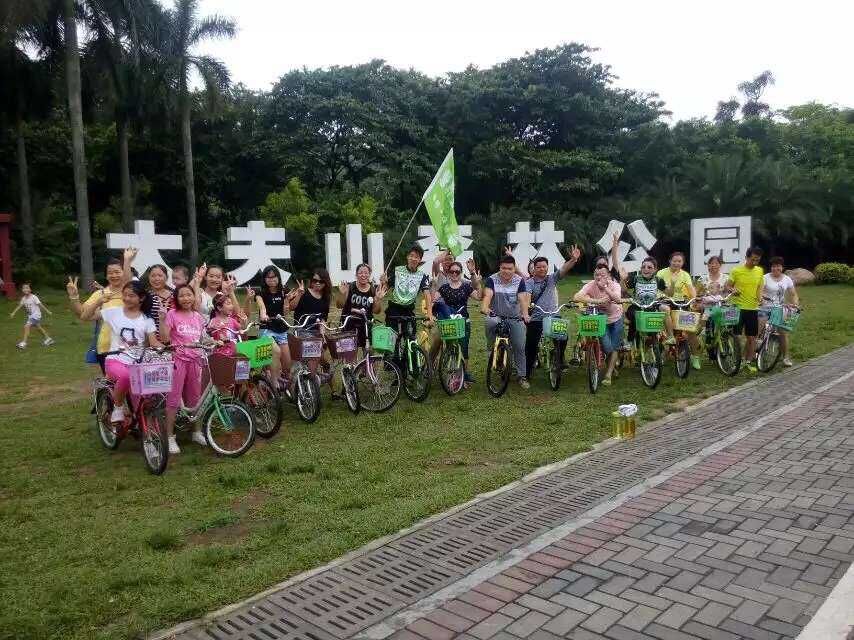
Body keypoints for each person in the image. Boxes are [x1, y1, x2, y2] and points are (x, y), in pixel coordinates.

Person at [90, 280, 163, 424]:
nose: (127, 299)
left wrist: (167, 349)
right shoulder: (114, 313)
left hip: (138, 364)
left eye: (131, 295)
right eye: (125, 295)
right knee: (125, 376)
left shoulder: (147, 319)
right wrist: (97, 301)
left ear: (141, 298)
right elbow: (86, 316)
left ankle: (146, 432)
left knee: (144, 402)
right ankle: (117, 408)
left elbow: (154, 342)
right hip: (115, 360)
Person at [160, 284, 208, 454]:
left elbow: (203, 338)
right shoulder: (172, 314)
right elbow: (165, 338)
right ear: (176, 298)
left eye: (189, 295)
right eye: (182, 295)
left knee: (195, 398)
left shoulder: (198, 316)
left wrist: (216, 341)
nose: (186, 298)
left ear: (194, 297)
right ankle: (170, 436)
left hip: (195, 360)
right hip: (177, 361)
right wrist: (162, 317)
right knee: (173, 399)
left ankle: (196, 431)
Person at [523, 246, 581, 380]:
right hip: (537, 317)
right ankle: (527, 370)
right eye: (539, 267)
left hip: (553, 315)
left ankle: (559, 358)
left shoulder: (551, 279)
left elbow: (564, 269)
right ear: (534, 269)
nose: (542, 269)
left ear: (547, 268)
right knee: (531, 345)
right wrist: (526, 313)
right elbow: (526, 297)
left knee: (563, 337)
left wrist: (573, 259)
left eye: (544, 266)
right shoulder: (530, 283)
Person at [73, 248, 136, 372]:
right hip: (106, 347)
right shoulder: (100, 294)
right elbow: (83, 315)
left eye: (117, 272)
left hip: (130, 347)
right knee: (113, 385)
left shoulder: (129, 293)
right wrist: (74, 297)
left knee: (131, 385)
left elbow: (129, 282)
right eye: (110, 273)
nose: (114, 275)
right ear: (106, 275)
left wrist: (127, 260)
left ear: (124, 272)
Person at [480, 254, 530, 389]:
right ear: (499, 268)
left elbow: (522, 299)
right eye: (504, 268)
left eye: (510, 268)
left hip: (515, 317)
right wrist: (485, 308)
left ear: (514, 269)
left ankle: (522, 376)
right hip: (496, 315)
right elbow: (488, 295)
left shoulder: (519, 281)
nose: (506, 271)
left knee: (519, 346)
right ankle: (492, 348)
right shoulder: (492, 279)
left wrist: (525, 314)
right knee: (490, 322)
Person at [574, 265, 625, 385]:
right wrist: (597, 301)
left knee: (615, 346)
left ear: (608, 276)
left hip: (616, 317)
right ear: (593, 276)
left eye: (602, 275)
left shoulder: (614, 285)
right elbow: (576, 297)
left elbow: (617, 299)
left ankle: (608, 374)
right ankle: (612, 367)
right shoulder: (590, 285)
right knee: (607, 347)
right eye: (596, 275)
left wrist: (606, 288)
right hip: (601, 319)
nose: (599, 277)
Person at [435, 259, 483, 383]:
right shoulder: (444, 288)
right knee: (451, 348)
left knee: (464, 349)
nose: (455, 274)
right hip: (449, 323)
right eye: (452, 272)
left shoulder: (466, 287)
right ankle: (453, 373)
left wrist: (477, 282)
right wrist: (434, 285)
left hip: (464, 322)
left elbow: (479, 297)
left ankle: (464, 375)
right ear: (449, 273)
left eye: (457, 271)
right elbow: (433, 299)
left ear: (461, 272)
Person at [380, 245, 435, 354]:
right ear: (407, 257)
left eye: (417, 257)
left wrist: (429, 314)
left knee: (411, 338)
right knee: (392, 339)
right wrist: (383, 281)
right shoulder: (397, 270)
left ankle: (411, 364)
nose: (414, 259)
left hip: (409, 310)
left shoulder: (422, 276)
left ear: (420, 260)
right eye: (412, 256)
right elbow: (385, 286)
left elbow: (427, 295)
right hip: (394, 308)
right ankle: (391, 363)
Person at [255, 265, 300, 384]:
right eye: (268, 277)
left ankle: (289, 390)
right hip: (266, 328)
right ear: (264, 279)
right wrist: (263, 315)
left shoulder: (284, 290)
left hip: (281, 330)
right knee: (276, 351)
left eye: (274, 277)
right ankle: (274, 382)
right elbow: (261, 306)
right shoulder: (260, 292)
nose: (271, 279)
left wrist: (292, 298)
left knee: (287, 365)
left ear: (278, 278)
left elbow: (286, 312)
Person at [657, 251, 701, 370]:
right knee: (664, 329)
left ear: (682, 263)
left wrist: (694, 300)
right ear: (670, 261)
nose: (676, 263)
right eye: (674, 260)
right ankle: (666, 349)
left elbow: (691, 290)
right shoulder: (661, 273)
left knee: (690, 330)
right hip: (664, 301)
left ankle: (696, 357)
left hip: (680, 302)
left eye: (679, 261)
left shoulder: (685, 275)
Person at [726, 247, 765, 373]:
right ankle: (735, 361)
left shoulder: (759, 271)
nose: (755, 262)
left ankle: (748, 361)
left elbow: (759, 287)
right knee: (736, 337)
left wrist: (760, 298)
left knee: (752, 337)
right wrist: (733, 290)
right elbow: (727, 286)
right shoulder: (736, 270)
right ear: (747, 257)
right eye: (753, 259)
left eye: (757, 260)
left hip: (752, 308)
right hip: (737, 308)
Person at [336, 263, 386, 356]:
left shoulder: (372, 290)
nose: (363, 275)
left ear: (369, 275)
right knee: (349, 355)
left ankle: (367, 370)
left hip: (366, 324)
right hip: (349, 324)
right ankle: (349, 369)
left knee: (369, 354)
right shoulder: (350, 287)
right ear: (356, 275)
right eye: (360, 273)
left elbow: (376, 311)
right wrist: (342, 294)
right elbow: (339, 305)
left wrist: (378, 299)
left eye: (366, 273)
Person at [760, 256, 799, 367]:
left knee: (783, 333)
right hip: (765, 307)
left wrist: (795, 304)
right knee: (759, 329)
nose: (775, 268)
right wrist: (762, 298)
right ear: (771, 267)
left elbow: (793, 293)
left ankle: (785, 357)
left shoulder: (787, 279)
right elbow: (760, 291)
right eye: (773, 266)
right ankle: (754, 353)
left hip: (780, 308)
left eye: (778, 266)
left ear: (782, 267)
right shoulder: (765, 278)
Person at [622, 257, 667, 345]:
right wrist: (623, 279)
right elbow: (624, 290)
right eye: (643, 267)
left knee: (655, 322)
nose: (646, 269)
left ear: (655, 270)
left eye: (649, 267)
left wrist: (671, 285)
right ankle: (630, 341)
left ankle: (653, 343)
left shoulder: (658, 280)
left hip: (651, 307)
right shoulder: (635, 279)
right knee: (636, 317)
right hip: (636, 307)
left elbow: (669, 292)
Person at [10, 282, 55, 348]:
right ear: (22, 290)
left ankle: (24, 343)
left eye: (27, 288)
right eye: (24, 288)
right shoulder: (24, 298)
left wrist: (47, 311)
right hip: (31, 316)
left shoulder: (34, 297)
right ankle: (49, 339)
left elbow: (40, 305)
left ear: (30, 289)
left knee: (26, 326)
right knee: (38, 328)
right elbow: (19, 306)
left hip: (36, 315)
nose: (25, 289)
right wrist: (13, 312)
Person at [145, 264, 172, 337]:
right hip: (151, 341)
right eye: (153, 276)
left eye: (160, 276)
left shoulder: (174, 296)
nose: (156, 279)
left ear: (166, 277)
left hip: (173, 341)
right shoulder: (145, 296)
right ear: (149, 277)